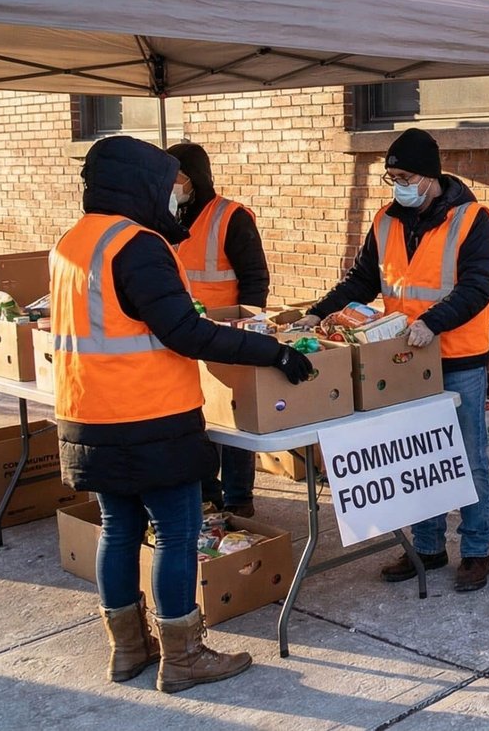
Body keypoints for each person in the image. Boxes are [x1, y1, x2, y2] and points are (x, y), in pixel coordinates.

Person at [54, 136, 313, 693]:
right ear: (140, 184)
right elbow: (186, 332)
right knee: (177, 531)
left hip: (85, 412)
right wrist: (274, 352)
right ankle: (185, 655)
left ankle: (128, 650)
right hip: (147, 416)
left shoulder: (74, 242)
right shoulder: (137, 245)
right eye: (167, 185)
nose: (175, 197)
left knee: (119, 529)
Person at [297, 128, 489, 592]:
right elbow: (360, 280)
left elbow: (477, 286)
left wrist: (434, 321)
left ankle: (476, 551)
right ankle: (426, 548)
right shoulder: (386, 220)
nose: (398, 186)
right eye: (391, 177)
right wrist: (317, 313)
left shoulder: (472, 220)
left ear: (429, 176)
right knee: (421, 458)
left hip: (457, 356)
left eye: (404, 176)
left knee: (468, 458)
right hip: (404, 359)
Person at [164, 143, 269, 519]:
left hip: (226, 331)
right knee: (197, 416)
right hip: (181, 334)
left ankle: (240, 496)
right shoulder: (165, 216)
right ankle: (209, 491)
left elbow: (255, 278)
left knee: (236, 415)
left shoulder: (231, 217)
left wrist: (249, 325)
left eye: (174, 178)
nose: (169, 185)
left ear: (192, 178)